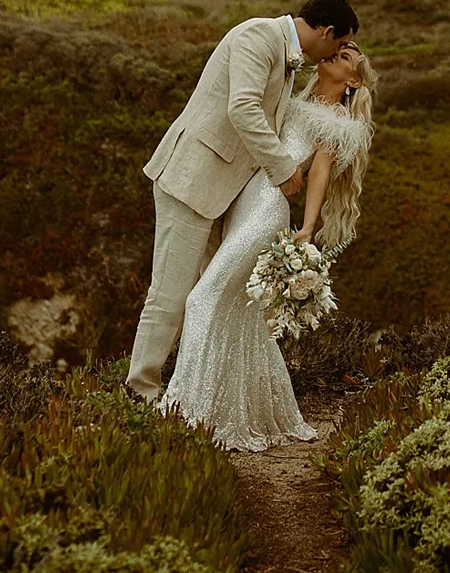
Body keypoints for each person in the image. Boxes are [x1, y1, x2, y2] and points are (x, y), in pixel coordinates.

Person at [125, 0, 360, 405]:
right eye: (337, 45)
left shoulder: (287, 56)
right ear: (325, 33)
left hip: (225, 195)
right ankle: (140, 393)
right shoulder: (258, 36)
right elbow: (243, 108)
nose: (335, 53)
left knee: (212, 298)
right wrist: (283, 169)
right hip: (192, 180)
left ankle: (197, 396)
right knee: (171, 293)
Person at [158, 38, 377, 451]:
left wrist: (308, 228)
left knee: (202, 298)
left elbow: (319, 175)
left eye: (346, 57)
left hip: (266, 210)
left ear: (352, 81)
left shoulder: (333, 118)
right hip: (240, 199)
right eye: (337, 48)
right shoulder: (293, 95)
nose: (335, 54)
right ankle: (233, 410)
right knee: (240, 314)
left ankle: (188, 410)